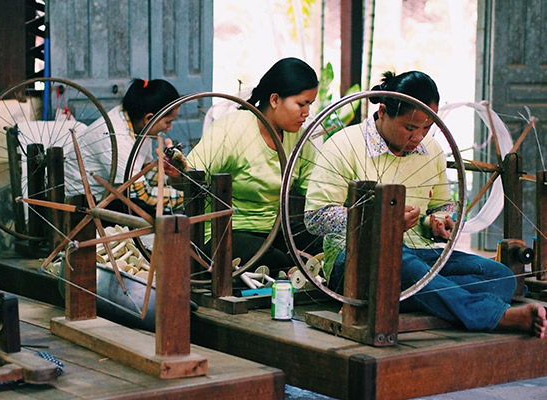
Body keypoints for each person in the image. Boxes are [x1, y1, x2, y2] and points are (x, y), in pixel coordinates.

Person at [304, 70, 547, 337]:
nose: (419, 136)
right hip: (352, 263)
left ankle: (391, 299)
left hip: (421, 256)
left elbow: (444, 206)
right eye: (410, 127)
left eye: (427, 127)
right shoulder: (343, 145)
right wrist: (380, 220)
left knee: (502, 279)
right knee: (399, 258)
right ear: (383, 112)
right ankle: (492, 315)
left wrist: (442, 220)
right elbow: (315, 218)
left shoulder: (431, 149)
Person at [185, 57, 320, 274]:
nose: (306, 113)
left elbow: (316, 190)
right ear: (275, 99)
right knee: (275, 260)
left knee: (324, 243)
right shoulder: (233, 128)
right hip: (227, 233)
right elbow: (191, 175)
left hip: (274, 231)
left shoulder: (299, 140)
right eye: (301, 104)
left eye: (310, 105)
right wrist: (177, 173)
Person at [66, 78, 182, 214]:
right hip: (81, 205)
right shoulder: (115, 137)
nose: (169, 128)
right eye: (168, 122)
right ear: (149, 119)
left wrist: (173, 176)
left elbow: (144, 172)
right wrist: (187, 197)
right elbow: (142, 195)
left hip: (110, 195)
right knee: (157, 213)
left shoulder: (139, 124)